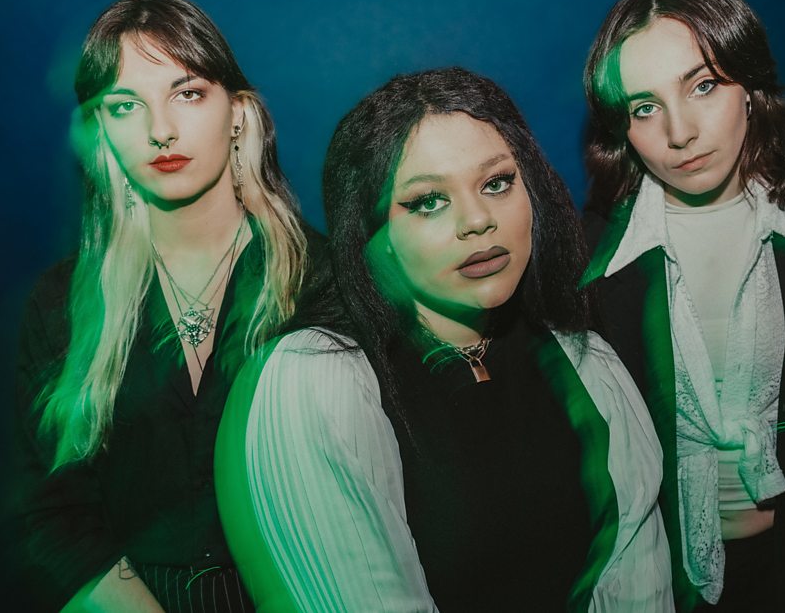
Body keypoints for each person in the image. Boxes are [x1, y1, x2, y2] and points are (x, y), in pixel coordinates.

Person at [215, 67, 673, 612]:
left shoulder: (583, 361)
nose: (477, 221)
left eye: (497, 183)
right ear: (373, 234)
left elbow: (636, 583)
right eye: (428, 200)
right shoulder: (313, 379)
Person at [580, 0, 785, 612]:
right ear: (621, 129)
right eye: (644, 107)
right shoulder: (582, 266)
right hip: (651, 584)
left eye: (704, 86)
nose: (680, 132)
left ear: (751, 89)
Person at [13, 0, 314, 612]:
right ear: (100, 128)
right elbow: (52, 515)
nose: (160, 130)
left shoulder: (324, 280)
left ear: (237, 113)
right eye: (126, 105)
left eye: (188, 93)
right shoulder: (60, 305)